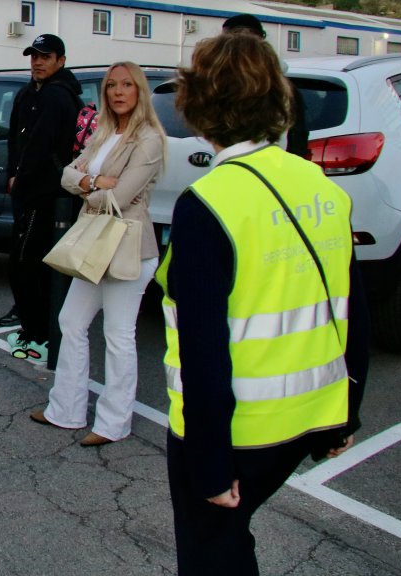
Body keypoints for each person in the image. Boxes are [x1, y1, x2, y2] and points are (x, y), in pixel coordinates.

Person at [159, 32, 369, 574]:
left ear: (198, 105)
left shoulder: (207, 203)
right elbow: (351, 309)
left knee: (213, 557)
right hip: (309, 418)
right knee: (231, 545)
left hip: (235, 434)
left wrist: (208, 463)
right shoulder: (322, 186)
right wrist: (345, 415)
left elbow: (203, 349)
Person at [29, 62, 165, 447]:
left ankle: (113, 423)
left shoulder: (149, 139)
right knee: (71, 321)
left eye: (126, 85)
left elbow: (120, 198)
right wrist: (93, 182)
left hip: (128, 247)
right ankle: (66, 410)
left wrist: (88, 187)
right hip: (94, 241)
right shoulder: (104, 132)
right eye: (111, 86)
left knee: (118, 335)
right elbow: (66, 175)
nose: (118, 92)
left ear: (139, 90)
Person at [3, 33, 84, 359]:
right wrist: (12, 172)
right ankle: (36, 329)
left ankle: (38, 334)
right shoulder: (28, 93)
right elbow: (15, 139)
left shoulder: (57, 96)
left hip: (46, 193)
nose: (37, 62)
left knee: (24, 264)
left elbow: (40, 144)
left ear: (60, 61)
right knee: (31, 264)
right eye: (34, 56)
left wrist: (21, 181)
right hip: (30, 190)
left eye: (45, 56)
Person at [221, 13, 309, 158]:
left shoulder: (220, 84)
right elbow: (298, 137)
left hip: (241, 167)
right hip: (272, 167)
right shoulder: (284, 87)